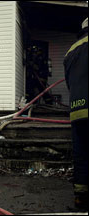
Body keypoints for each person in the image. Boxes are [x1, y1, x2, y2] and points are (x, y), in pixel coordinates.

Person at [63, 17, 88, 210]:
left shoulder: (70, 51)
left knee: (81, 153)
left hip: (77, 109)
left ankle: (80, 198)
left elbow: (69, 83)